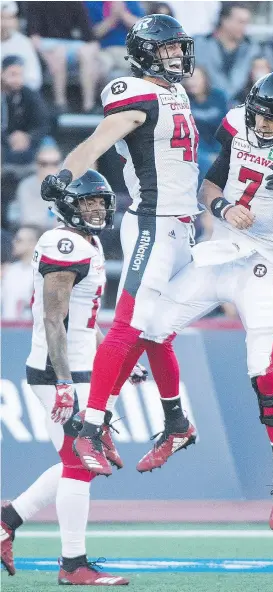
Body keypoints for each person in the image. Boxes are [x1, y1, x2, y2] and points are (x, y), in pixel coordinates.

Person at [135, 71, 273, 532]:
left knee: (265, 370)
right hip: (220, 250)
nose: (261, 125)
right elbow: (210, 186)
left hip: (261, 262)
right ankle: (177, 423)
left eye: (271, 119)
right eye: (258, 115)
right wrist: (224, 208)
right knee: (151, 328)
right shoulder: (236, 125)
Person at [40, 15, 199, 477]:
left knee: (156, 331)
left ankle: (175, 422)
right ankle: (91, 426)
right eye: (168, 49)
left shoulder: (177, 91)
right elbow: (97, 142)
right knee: (130, 326)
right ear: (147, 53)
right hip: (153, 221)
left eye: (178, 48)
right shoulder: (135, 94)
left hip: (184, 226)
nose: (177, 56)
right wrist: (65, 175)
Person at [0, 170, 135, 585]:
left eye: (100, 202)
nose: (96, 209)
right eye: (87, 203)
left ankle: (7, 520)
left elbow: (80, 317)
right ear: (68, 208)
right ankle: (73, 564)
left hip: (78, 368)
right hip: (59, 370)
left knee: (77, 463)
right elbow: (53, 319)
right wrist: (62, 382)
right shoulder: (65, 243)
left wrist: (114, 357)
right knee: (80, 463)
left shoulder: (85, 242)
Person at [27, 1, 99, 113]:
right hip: (46, 44)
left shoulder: (76, 3)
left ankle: (89, 105)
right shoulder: (36, 3)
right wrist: (45, 55)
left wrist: (91, 51)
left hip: (69, 44)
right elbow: (33, 37)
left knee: (86, 52)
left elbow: (90, 37)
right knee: (59, 53)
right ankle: (60, 103)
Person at [194, 2, 260, 104]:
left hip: (239, 110)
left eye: (247, 22)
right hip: (204, 109)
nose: (245, 27)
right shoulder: (198, 44)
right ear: (224, 20)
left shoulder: (253, 49)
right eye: (240, 22)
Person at [1, 55, 50, 166]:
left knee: (49, 146)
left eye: (20, 75)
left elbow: (43, 123)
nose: (17, 79)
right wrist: (9, 138)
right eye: (13, 74)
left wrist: (28, 137)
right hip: (3, 141)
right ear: (2, 74)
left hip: (28, 140)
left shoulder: (30, 95)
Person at [183, 66, 227, 183]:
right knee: (205, 164)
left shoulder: (219, 96)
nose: (191, 82)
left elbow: (225, 127)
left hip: (219, 146)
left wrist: (218, 153)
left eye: (196, 78)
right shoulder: (183, 99)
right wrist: (208, 156)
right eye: (188, 78)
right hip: (195, 149)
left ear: (205, 79)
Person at [8, 143, 62, 229]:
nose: (49, 167)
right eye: (44, 163)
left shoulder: (69, 187)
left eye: (55, 163)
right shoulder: (26, 186)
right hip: (31, 234)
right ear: (36, 164)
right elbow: (28, 218)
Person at [85, 1, 145, 80]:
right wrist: (113, 18)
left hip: (127, 52)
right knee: (99, 68)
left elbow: (143, 29)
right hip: (103, 51)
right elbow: (93, 34)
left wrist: (123, 14)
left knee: (142, 68)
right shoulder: (91, 3)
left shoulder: (131, 2)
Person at [1, 225, 42, 320]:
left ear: (33, 243)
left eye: (19, 240)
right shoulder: (10, 270)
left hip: (29, 329)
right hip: (7, 328)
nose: (14, 242)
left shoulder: (41, 272)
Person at [1, 1, 43, 91]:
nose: (4, 23)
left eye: (9, 18)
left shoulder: (24, 43)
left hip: (20, 93)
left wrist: (15, 81)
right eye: (1, 18)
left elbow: (34, 79)